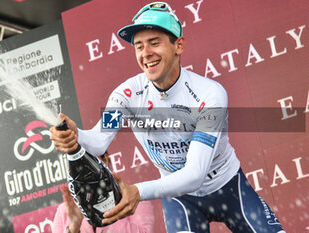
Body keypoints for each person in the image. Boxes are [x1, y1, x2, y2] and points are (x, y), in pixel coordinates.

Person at [50, 2, 286, 233]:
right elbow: (99, 141)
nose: (146, 53)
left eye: (154, 43)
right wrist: (76, 134)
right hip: (179, 200)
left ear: (179, 45)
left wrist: (138, 191)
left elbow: (195, 174)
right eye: (139, 46)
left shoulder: (210, 94)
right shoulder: (126, 95)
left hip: (228, 187)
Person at [52, 152, 155, 233]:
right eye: (79, 165)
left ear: (105, 159)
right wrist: (74, 227)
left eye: (90, 160)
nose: (86, 169)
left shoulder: (133, 195)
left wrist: (108, 212)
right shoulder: (64, 211)